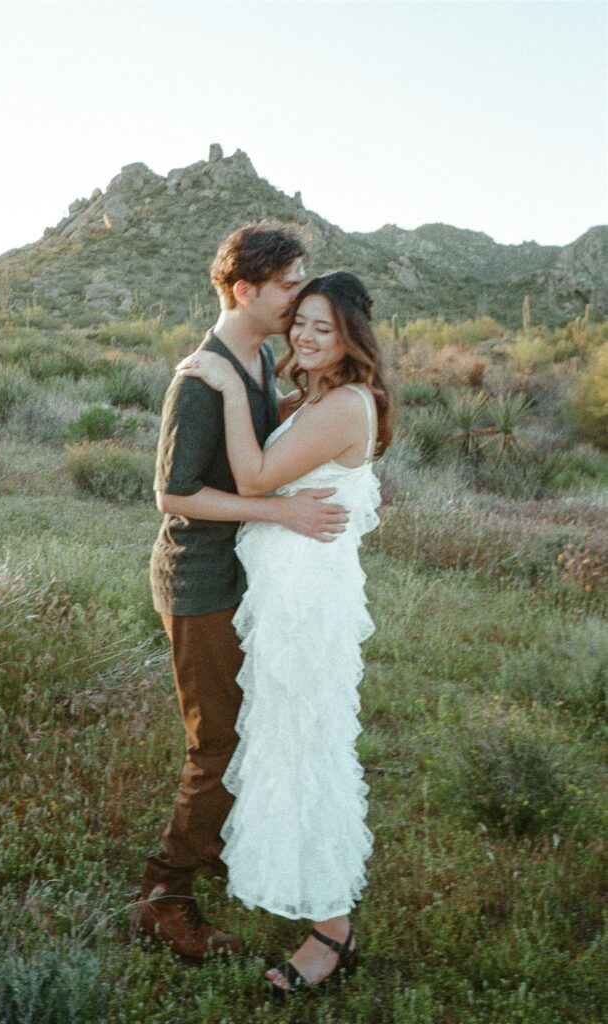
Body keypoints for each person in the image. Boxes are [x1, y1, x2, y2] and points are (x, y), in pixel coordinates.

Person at [130, 223, 351, 964]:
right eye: (288, 284)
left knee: (247, 730)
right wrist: (279, 509)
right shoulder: (202, 377)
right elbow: (174, 494)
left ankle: (225, 850)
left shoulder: (256, 359)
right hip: (199, 585)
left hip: (240, 580)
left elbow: (250, 443)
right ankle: (164, 897)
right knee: (218, 745)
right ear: (244, 289)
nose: (299, 296)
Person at [176, 270, 393, 994]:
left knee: (305, 745)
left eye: (322, 327)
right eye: (299, 320)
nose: (304, 335)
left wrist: (227, 385)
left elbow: (255, 476)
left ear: (351, 338)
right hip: (283, 593)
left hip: (306, 602)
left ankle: (331, 930)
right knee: (285, 737)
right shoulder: (316, 397)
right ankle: (313, 900)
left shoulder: (345, 404)